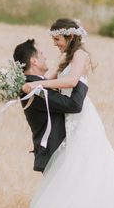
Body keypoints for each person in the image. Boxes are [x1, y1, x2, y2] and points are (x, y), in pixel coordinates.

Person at [20, 18, 114, 208]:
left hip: (81, 117)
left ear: (70, 37)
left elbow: (71, 82)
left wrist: (37, 84)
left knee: (88, 160)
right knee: (70, 162)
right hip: (69, 118)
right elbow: (49, 77)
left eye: (57, 39)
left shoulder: (81, 55)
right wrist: (22, 80)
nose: (55, 44)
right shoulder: (65, 56)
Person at [13, 39, 89, 173]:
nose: (45, 57)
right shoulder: (35, 91)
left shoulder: (37, 84)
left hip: (61, 155)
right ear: (34, 61)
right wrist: (81, 77)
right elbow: (74, 105)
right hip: (55, 156)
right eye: (41, 54)